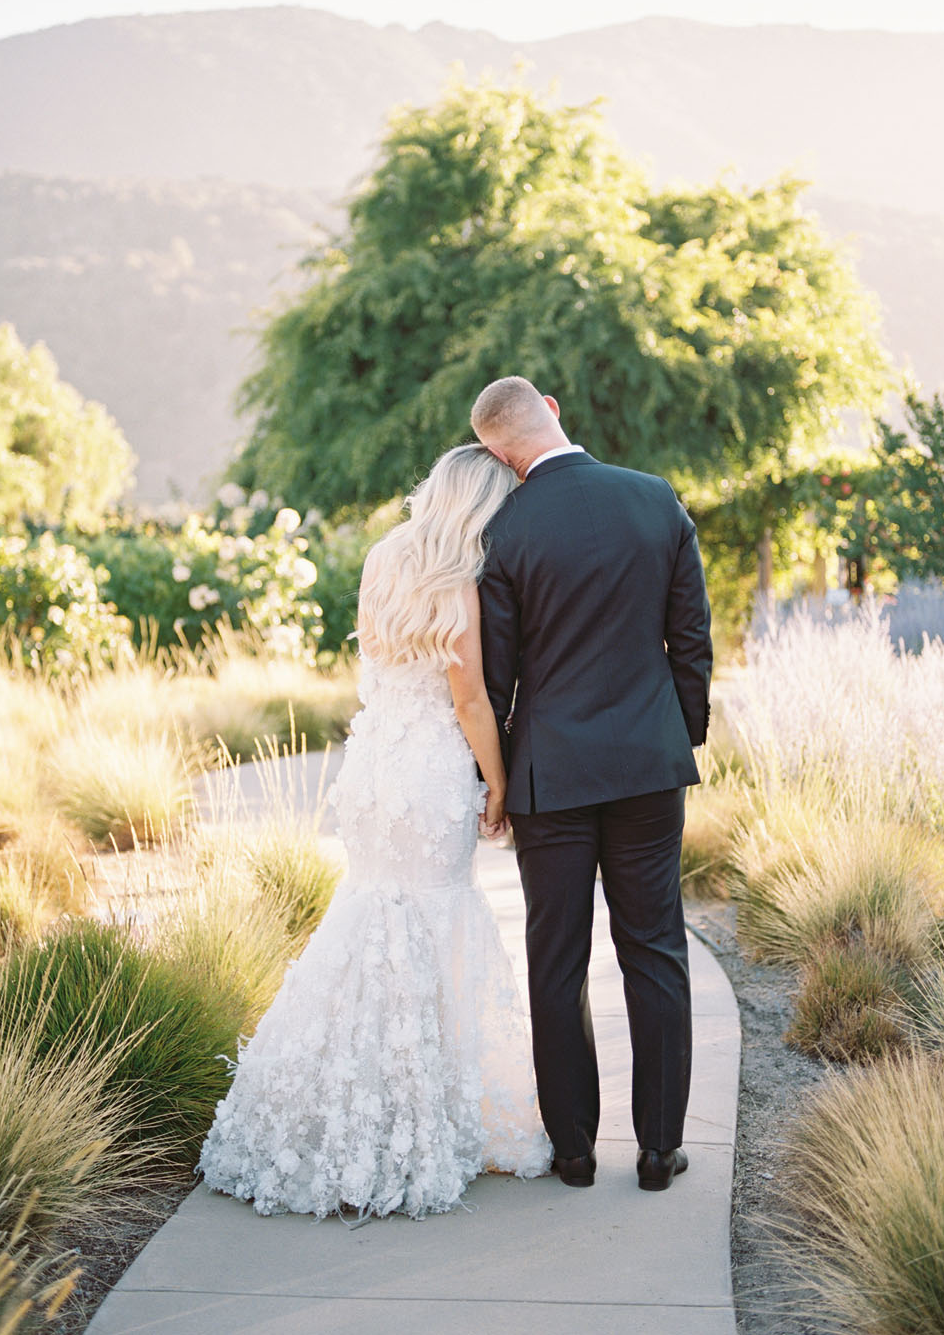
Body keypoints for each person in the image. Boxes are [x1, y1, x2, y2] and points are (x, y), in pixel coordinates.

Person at [197, 443, 551, 1221]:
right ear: (477, 507)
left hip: (372, 766)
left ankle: (326, 1110)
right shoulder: (458, 582)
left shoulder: (382, 558)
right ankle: (418, 1122)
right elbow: (468, 703)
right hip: (427, 774)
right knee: (434, 921)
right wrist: (496, 783)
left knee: (364, 920)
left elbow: (374, 666)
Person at [470, 376, 713, 1193]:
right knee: (654, 949)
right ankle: (657, 1151)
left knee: (557, 958)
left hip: (551, 775)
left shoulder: (503, 530)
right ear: (554, 414)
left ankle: (572, 1151)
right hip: (649, 765)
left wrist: (493, 781)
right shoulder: (654, 500)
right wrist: (680, 737)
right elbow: (690, 641)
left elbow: (494, 677)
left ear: (499, 455)